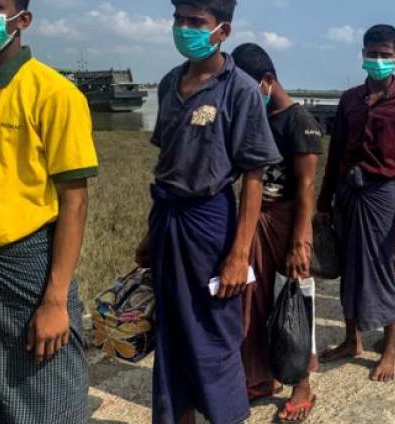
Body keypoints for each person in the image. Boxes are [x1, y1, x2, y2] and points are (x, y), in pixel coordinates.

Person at [0, 0, 97, 422]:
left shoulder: (54, 94)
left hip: (32, 275)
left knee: (50, 402)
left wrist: (55, 301)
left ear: (22, 20)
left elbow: (74, 200)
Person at [134, 1, 284, 422]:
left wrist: (239, 255)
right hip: (168, 218)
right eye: (179, 20)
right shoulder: (169, 83)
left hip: (210, 223)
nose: (184, 29)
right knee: (172, 332)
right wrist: (150, 235)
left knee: (215, 332)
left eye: (196, 22)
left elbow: (253, 177)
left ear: (223, 30)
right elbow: (168, 162)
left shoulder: (240, 90)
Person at [317, 25, 395, 381]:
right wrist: (324, 202)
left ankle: (390, 348)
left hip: (383, 195)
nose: (378, 60)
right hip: (347, 194)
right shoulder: (350, 99)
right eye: (372, 53)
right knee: (349, 268)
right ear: (363, 54)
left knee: (384, 270)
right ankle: (352, 339)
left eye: (385, 55)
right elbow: (335, 155)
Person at [231, 43, 322, 421]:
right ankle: (262, 376)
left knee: (293, 299)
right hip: (256, 219)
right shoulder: (258, 116)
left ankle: (302, 382)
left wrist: (300, 242)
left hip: (287, 221)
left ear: (267, 81)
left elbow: (306, 186)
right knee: (253, 299)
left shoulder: (299, 121)